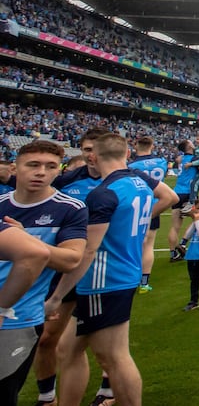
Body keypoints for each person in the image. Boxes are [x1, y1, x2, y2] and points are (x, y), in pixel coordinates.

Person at [46, 132, 176, 406]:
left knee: (113, 358)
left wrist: (57, 296)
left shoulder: (103, 193)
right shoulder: (137, 182)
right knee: (67, 349)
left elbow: (88, 250)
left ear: (92, 157)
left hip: (103, 280)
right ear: (127, 154)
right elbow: (169, 197)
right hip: (119, 273)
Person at [0, 141, 86, 406]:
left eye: (50, 167)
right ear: (16, 168)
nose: (41, 172)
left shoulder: (69, 208)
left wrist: (27, 242)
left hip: (20, 318)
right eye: (33, 165)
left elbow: (71, 259)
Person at [34, 127, 107, 406]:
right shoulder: (67, 181)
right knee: (47, 338)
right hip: (65, 270)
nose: (91, 155)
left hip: (102, 270)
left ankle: (108, 390)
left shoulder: (122, 180)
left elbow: (164, 199)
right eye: (86, 149)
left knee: (101, 343)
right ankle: (47, 396)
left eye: (96, 149)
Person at [128, 135, 167, 293]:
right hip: (153, 205)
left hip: (134, 206)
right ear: (152, 145)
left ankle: (131, 279)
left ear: (136, 146)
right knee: (149, 245)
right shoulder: (162, 162)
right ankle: (144, 283)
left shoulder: (130, 165)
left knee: (132, 243)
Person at [168, 140, 197, 261]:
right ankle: (183, 242)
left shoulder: (180, 158)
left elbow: (178, 160)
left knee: (175, 226)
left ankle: (173, 254)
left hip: (176, 193)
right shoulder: (194, 159)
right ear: (189, 146)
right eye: (191, 142)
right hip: (187, 193)